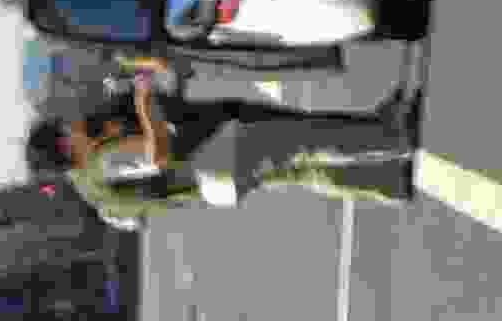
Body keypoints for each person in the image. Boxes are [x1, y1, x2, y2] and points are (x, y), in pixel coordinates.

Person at [32, 60, 415, 222]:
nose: (73, 125)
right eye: (66, 130)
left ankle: (388, 182)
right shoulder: (100, 164)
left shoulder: (89, 185)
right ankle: (391, 137)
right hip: (214, 156)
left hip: (211, 178)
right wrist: (144, 102)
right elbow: (158, 155)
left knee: (302, 167)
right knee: (304, 141)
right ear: (64, 147)